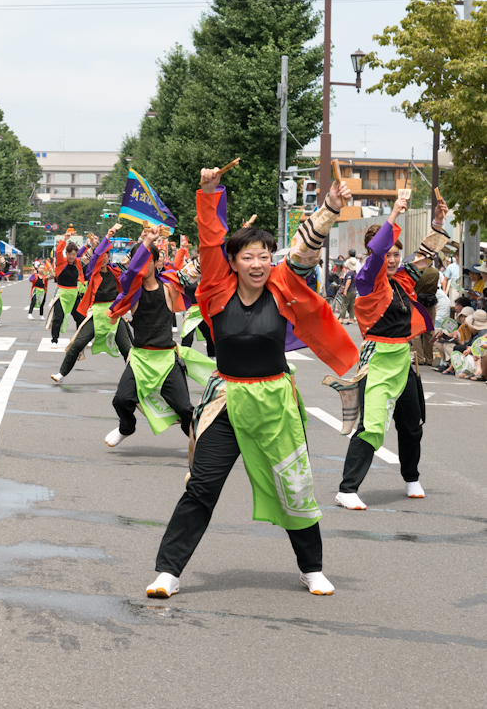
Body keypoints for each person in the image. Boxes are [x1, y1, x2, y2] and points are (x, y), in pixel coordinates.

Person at [146, 168, 358, 600]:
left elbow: (303, 250)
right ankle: (168, 571)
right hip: (226, 399)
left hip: (275, 400)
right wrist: (208, 194)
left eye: (265, 256)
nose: (258, 264)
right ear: (234, 262)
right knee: (202, 485)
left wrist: (331, 208)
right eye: (248, 257)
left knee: (295, 486)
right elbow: (209, 241)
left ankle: (311, 568)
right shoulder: (214, 290)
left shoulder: (283, 286)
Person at [334, 195, 450, 510]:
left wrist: (438, 221)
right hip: (376, 361)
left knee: (412, 425)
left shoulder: (401, 280)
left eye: (397, 254)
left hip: (403, 359)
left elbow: (426, 255)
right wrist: (396, 212)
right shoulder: (367, 280)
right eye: (388, 253)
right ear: (376, 254)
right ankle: (347, 489)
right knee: (371, 425)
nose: (395, 259)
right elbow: (377, 256)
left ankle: (411, 477)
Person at [104, 226, 213, 447]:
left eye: (147, 259)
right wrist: (146, 242)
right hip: (140, 359)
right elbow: (132, 273)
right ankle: (127, 427)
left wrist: (211, 241)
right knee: (122, 400)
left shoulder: (169, 285)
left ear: (156, 263)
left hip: (166, 358)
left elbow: (197, 267)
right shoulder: (131, 291)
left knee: (185, 409)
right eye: (137, 260)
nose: (142, 265)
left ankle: (201, 445)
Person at [51, 225, 131, 383]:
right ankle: (61, 374)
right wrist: (104, 238)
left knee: (127, 348)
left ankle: (135, 377)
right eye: (100, 256)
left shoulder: (116, 270)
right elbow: (93, 258)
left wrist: (144, 240)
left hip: (114, 313)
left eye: (106, 255)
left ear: (109, 257)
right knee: (78, 343)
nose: (104, 259)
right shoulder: (91, 272)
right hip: (96, 313)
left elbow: (131, 260)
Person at [47, 229, 85, 346]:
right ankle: (54, 340)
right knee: (58, 317)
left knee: (80, 317)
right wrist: (65, 239)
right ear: (66, 254)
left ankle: (81, 339)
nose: (71, 256)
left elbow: (87, 256)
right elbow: (58, 251)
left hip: (74, 294)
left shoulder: (78, 263)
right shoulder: (61, 262)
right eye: (69, 254)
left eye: (74, 254)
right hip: (62, 293)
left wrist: (89, 244)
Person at [338, 260, 357, 325]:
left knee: (344, 304)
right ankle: (351, 319)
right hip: (354, 290)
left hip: (349, 291)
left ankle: (341, 319)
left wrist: (345, 291)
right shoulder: (354, 272)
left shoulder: (349, 272)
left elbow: (348, 282)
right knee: (351, 305)